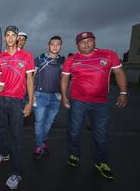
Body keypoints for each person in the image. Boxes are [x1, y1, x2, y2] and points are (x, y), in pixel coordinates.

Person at [61, 31, 128, 180]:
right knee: (74, 130)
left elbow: (119, 73)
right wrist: (64, 96)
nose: (86, 44)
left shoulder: (108, 54)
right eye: (82, 42)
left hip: (100, 102)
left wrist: (123, 93)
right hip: (78, 101)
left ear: (94, 41)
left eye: (89, 41)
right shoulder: (72, 59)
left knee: (101, 133)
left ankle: (101, 161)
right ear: (77, 45)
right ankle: (74, 154)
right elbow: (65, 79)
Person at [0, 25, 34, 190]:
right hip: (0, 99)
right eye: (7, 35)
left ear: (17, 38)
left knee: (16, 137)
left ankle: (16, 172)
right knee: (1, 130)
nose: (9, 38)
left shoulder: (26, 56)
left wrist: (30, 102)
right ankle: (4, 153)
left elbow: (29, 80)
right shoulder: (0, 57)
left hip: (17, 101)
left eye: (12, 35)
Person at [33, 36, 65, 159]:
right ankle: (38, 146)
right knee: (39, 123)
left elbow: (65, 79)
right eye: (53, 44)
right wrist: (32, 96)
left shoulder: (63, 61)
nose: (55, 46)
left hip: (55, 97)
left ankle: (42, 141)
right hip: (40, 96)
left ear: (61, 46)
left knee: (48, 123)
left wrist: (63, 95)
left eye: (58, 44)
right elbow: (31, 77)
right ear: (48, 45)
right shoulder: (40, 59)